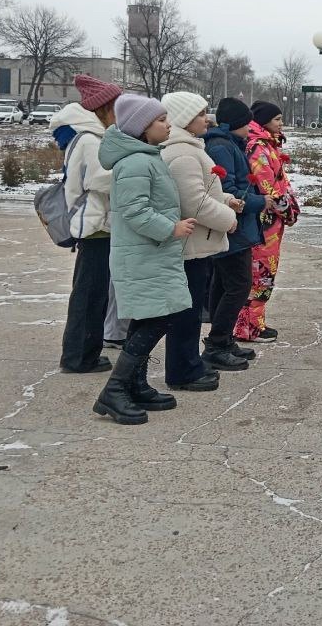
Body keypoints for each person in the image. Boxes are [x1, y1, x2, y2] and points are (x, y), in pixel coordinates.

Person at [92, 94, 197, 426]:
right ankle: (115, 389)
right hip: (143, 255)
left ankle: (136, 384)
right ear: (141, 127)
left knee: (148, 317)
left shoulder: (147, 157)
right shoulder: (136, 162)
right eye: (161, 120)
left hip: (151, 254)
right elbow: (135, 211)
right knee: (157, 319)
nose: (168, 124)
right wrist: (171, 228)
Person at [160, 91, 240, 391]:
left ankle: (189, 364)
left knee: (191, 309)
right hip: (190, 244)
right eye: (200, 114)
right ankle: (183, 370)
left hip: (196, 242)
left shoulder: (190, 147)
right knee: (186, 311)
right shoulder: (182, 152)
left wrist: (227, 200)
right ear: (183, 118)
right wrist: (227, 219)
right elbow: (193, 202)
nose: (207, 119)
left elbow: (203, 193)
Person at [50, 75, 121, 374]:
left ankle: (85, 353)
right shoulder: (91, 140)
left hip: (98, 223)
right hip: (95, 226)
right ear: (102, 108)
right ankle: (79, 357)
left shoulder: (93, 136)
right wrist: (128, 171)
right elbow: (100, 179)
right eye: (116, 106)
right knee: (89, 294)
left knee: (93, 293)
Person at [202, 98, 266, 370]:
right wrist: (260, 202)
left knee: (224, 284)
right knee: (239, 285)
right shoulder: (221, 147)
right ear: (235, 124)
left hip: (236, 227)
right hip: (233, 228)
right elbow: (226, 190)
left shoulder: (231, 145)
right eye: (246, 123)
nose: (250, 128)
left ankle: (222, 338)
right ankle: (217, 342)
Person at [235, 101, 300, 343]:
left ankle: (252, 322)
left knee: (263, 271)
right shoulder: (259, 148)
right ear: (263, 122)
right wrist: (288, 210)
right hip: (265, 221)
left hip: (271, 221)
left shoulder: (267, 145)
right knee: (260, 272)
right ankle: (250, 326)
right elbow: (268, 187)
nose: (281, 123)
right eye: (277, 119)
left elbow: (281, 181)